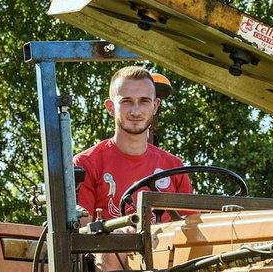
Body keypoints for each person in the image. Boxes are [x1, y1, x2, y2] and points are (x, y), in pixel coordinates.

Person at [74, 66, 192, 224]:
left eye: (144, 101)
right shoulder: (85, 165)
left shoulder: (174, 168)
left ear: (155, 106)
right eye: (126, 101)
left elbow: (192, 230)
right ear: (110, 107)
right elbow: (80, 235)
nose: (136, 112)